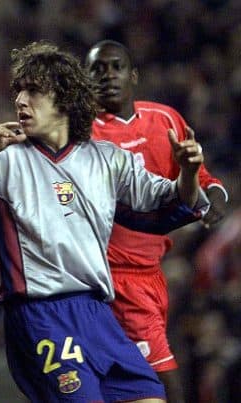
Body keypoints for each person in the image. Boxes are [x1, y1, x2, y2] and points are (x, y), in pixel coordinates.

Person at [0, 41, 210, 403]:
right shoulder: (3, 160)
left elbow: (168, 204)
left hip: (99, 314)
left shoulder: (108, 159)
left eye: (34, 91)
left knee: (150, 398)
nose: (21, 101)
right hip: (40, 315)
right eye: (19, 91)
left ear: (63, 96)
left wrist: (188, 172)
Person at [84, 39, 228, 403]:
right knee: (162, 382)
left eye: (116, 67)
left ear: (133, 75)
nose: (108, 76)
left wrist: (211, 198)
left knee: (123, 386)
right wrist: (188, 208)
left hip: (152, 273)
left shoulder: (165, 119)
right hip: (112, 277)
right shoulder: (82, 133)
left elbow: (207, 183)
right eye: (98, 69)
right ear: (85, 80)